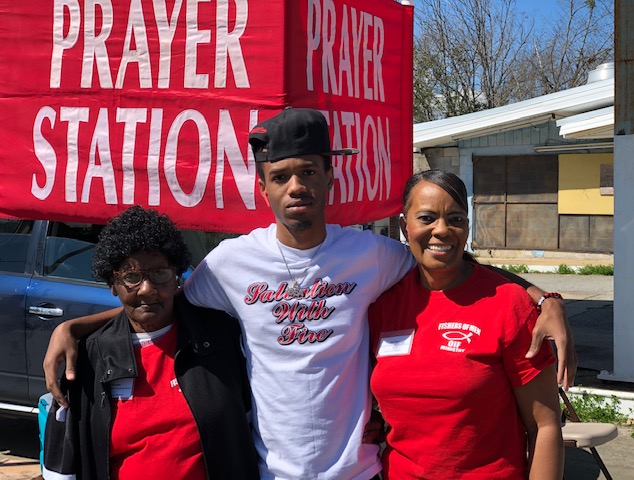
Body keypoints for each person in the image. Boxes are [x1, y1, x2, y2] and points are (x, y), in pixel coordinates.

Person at [43, 108, 574, 480]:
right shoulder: (230, 264)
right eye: (281, 176)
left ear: (329, 179)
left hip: (359, 471)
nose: (296, 186)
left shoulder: (372, 256)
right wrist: (76, 327)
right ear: (263, 187)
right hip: (269, 471)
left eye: (308, 172)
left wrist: (541, 295)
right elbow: (159, 300)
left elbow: (445, 256)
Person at [368, 170, 564, 479]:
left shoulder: (508, 304)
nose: (441, 230)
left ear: (467, 227)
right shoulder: (382, 306)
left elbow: (545, 426)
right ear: (404, 226)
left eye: (455, 219)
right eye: (427, 218)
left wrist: (549, 300)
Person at [42, 206, 258, 480]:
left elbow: (248, 431)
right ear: (113, 284)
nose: (147, 289)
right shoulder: (89, 358)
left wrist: (70, 326)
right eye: (131, 277)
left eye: (159, 273)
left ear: (176, 277)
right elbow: (63, 466)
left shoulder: (217, 339)